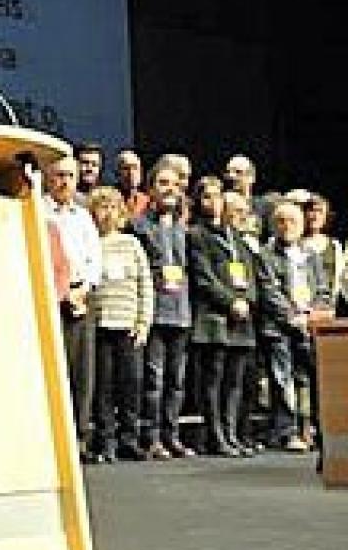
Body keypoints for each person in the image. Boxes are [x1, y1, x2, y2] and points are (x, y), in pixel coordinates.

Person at [188, 181, 260, 457]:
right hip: (214, 319)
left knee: (235, 382)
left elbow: (250, 275)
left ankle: (231, 434)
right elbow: (203, 278)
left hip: (242, 320)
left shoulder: (236, 237)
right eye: (207, 197)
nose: (213, 202)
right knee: (213, 380)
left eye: (217, 197)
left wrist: (247, 300)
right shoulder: (196, 235)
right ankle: (216, 435)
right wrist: (231, 302)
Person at [86, 187, 153, 462]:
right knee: (103, 387)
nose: (107, 213)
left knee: (131, 384)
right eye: (102, 207)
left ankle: (129, 437)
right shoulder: (89, 243)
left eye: (113, 207)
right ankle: (106, 439)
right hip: (101, 324)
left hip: (128, 325)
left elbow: (145, 283)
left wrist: (143, 321)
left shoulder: (131, 244)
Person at [134, 164, 195, 459]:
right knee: (154, 379)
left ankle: (172, 436)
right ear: (151, 189)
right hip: (155, 312)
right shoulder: (140, 226)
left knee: (177, 380)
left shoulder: (185, 230)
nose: (170, 188)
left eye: (174, 184)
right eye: (163, 183)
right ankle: (152, 436)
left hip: (181, 312)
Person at [47, 155, 103, 458]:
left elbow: (94, 258)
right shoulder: (39, 212)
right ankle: (58, 442)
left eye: (70, 175)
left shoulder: (83, 216)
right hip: (52, 299)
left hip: (82, 299)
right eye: (59, 175)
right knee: (58, 371)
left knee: (83, 373)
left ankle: (80, 438)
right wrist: (62, 291)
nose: (65, 181)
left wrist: (84, 289)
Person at [260, 200, 325, 451]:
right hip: (278, 327)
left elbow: (322, 289)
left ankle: (315, 429)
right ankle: (287, 432)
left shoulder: (311, 255)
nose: (287, 226)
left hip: (309, 325)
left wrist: (311, 315)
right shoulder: (265, 255)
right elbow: (269, 291)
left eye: (293, 221)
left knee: (313, 379)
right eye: (281, 221)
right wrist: (292, 316)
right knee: (282, 379)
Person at [115, 148, 150, 218]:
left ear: (141, 172)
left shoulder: (149, 201)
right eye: (126, 168)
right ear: (118, 173)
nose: (131, 173)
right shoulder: (111, 199)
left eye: (135, 168)